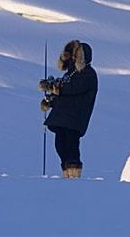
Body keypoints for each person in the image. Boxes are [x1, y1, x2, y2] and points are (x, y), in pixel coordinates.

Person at [39, 40, 98, 179]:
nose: (72, 58)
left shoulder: (88, 74)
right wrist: (51, 100)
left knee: (71, 143)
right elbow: (65, 94)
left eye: (74, 55)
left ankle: (74, 172)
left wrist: (54, 87)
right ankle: (66, 170)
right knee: (60, 144)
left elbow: (72, 89)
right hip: (63, 116)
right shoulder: (69, 74)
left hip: (75, 117)